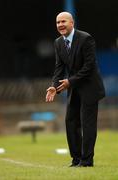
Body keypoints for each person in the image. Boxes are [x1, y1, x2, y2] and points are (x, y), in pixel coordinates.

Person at [46, 12, 105, 167]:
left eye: (63, 21)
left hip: (90, 87)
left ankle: (87, 161)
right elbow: (59, 68)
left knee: (87, 124)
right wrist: (54, 85)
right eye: (58, 22)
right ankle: (76, 159)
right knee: (70, 121)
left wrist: (70, 81)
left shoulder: (86, 39)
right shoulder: (58, 42)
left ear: (72, 23)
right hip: (74, 87)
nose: (60, 25)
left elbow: (89, 67)